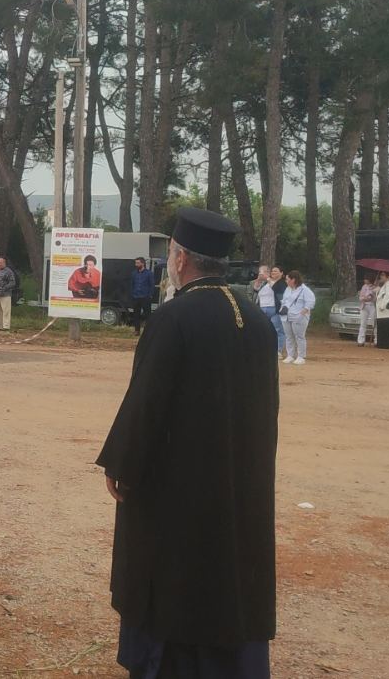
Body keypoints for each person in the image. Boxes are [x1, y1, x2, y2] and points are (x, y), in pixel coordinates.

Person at [97, 207, 277, 679]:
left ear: (179, 260)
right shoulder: (257, 321)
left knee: (174, 581)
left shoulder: (172, 318)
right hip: (240, 483)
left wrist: (121, 465)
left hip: (180, 489)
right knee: (231, 578)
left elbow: (146, 402)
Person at [280, 271, 315, 365]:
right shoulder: (287, 289)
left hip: (299, 316)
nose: (286, 281)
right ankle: (290, 355)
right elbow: (284, 301)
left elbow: (310, 303)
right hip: (286, 316)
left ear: (293, 280)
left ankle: (301, 356)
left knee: (299, 336)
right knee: (289, 336)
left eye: (287, 279)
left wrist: (302, 313)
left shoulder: (305, 290)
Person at [255, 265, 287, 360]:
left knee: (278, 330)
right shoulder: (265, 283)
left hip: (275, 309)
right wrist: (259, 280)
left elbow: (277, 289)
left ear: (281, 273)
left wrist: (267, 278)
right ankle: (265, 349)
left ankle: (278, 351)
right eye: (272, 271)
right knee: (263, 330)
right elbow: (256, 290)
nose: (273, 273)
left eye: (276, 271)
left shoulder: (282, 283)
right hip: (262, 308)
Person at [128, 257, 156, 336]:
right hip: (136, 297)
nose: (136, 264)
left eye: (138, 263)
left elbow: (152, 285)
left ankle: (148, 331)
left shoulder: (149, 273)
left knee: (147, 315)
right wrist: (132, 294)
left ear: (142, 263)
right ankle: (137, 331)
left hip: (145, 297)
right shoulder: (134, 273)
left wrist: (150, 295)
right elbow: (132, 284)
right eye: (135, 263)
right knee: (136, 315)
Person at [0, 256, 17, 330]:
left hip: (5, 295)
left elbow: (12, 282)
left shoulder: (8, 271)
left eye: (0, 263)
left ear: (4, 263)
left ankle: (6, 326)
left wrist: (4, 288)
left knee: (6, 311)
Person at [355, 274, 378, 346]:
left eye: (366, 279)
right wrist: (364, 298)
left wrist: (372, 295)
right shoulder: (364, 287)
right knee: (363, 323)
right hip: (364, 306)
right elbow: (360, 297)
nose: (364, 280)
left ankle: (376, 340)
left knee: (374, 323)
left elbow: (375, 298)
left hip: (372, 306)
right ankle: (361, 340)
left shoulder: (375, 287)